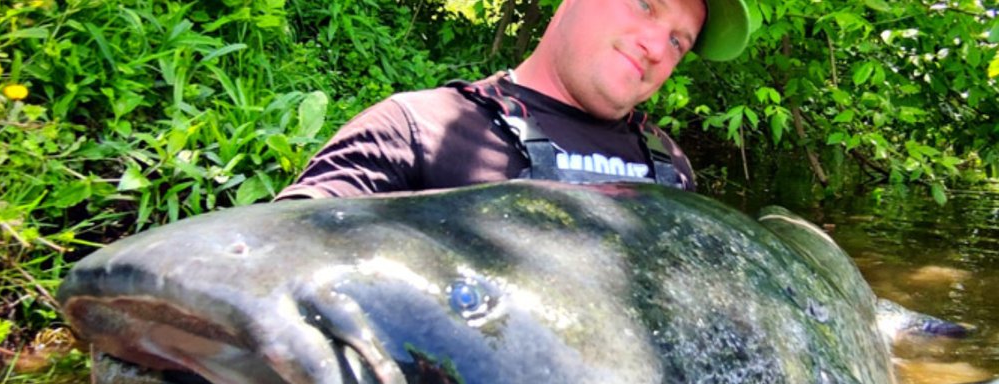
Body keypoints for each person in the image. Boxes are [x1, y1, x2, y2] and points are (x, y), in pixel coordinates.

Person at [275, 0, 755, 200]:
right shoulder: (416, 129)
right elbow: (267, 267)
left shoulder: (671, 167)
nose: (655, 47)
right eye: (646, 4)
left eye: (677, 42)